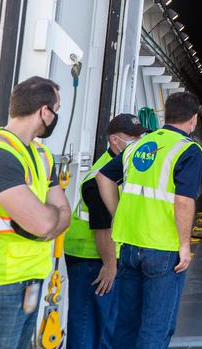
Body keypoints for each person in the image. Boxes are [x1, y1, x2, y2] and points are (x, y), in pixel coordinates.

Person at [0, 76, 71, 349]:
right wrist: (50, 219)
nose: (55, 117)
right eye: (56, 109)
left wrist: (48, 218)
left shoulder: (41, 155)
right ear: (45, 111)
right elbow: (45, 223)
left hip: (29, 280)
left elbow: (63, 212)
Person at [95, 91, 202, 348]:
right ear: (194, 119)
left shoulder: (137, 145)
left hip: (129, 245)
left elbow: (103, 177)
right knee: (156, 329)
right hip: (163, 249)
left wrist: (119, 212)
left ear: (166, 115)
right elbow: (184, 201)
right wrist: (185, 246)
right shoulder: (188, 150)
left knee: (126, 326)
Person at [63, 113, 146, 348]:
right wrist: (110, 266)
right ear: (114, 140)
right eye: (132, 138)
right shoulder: (98, 178)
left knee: (107, 324)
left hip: (106, 257)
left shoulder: (122, 171)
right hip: (90, 259)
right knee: (87, 325)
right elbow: (102, 227)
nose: (137, 143)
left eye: (140, 137)